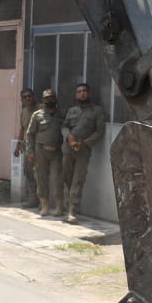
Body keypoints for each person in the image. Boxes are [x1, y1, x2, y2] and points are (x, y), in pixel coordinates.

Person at [60, 82, 107, 223]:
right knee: (67, 179)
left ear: (89, 93)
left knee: (78, 180)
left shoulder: (97, 111)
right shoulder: (71, 110)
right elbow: (64, 126)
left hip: (83, 150)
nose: (82, 93)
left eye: (84, 91)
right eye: (79, 91)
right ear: (76, 95)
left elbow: (100, 131)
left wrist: (85, 142)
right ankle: (66, 207)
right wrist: (68, 136)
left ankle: (72, 211)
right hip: (68, 149)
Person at [24, 89, 63, 218]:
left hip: (56, 151)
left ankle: (58, 206)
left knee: (57, 179)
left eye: (51, 97)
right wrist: (30, 151)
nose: (49, 100)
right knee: (41, 179)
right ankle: (44, 205)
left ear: (56, 99)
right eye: (46, 98)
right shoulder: (37, 115)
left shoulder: (61, 115)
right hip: (40, 151)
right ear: (43, 100)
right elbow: (30, 134)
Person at [14, 87, 37, 209]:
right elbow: (22, 129)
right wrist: (18, 145)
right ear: (22, 100)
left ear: (33, 97)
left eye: (29, 96)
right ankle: (33, 199)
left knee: (40, 174)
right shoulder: (23, 112)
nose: (28, 98)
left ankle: (43, 201)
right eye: (25, 97)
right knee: (29, 173)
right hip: (28, 147)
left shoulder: (41, 109)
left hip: (40, 147)